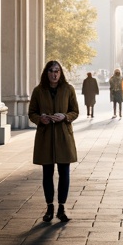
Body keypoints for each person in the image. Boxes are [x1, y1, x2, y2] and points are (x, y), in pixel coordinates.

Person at [28, 59, 78, 223]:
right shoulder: (38, 91)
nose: (54, 74)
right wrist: (40, 119)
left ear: (61, 73)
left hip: (63, 136)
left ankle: (61, 207)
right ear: (46, 73)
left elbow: (75, 111)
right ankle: (50, 207)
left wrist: (65, 116)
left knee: (64, 173)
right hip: (46, 136)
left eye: (57, 71)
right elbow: (32, 113)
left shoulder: (68, 89)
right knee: (47, 173)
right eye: (51, 71)